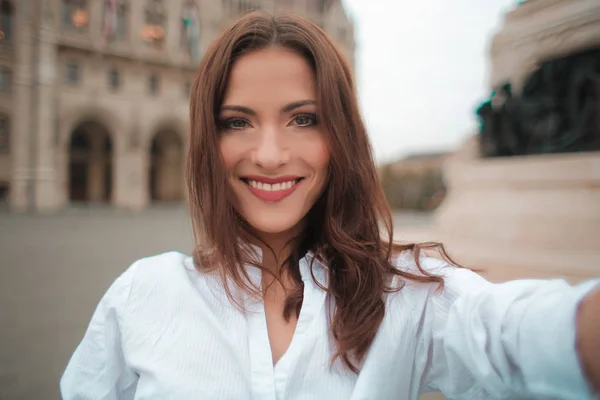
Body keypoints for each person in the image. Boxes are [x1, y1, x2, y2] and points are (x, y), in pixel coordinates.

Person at [60, 11, 600, 400]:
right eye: (237, 121)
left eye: (303, 118)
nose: (270, 155)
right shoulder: (142, 295)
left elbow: (517, 335)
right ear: (208, 140)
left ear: (340, 135)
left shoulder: (408, 295)